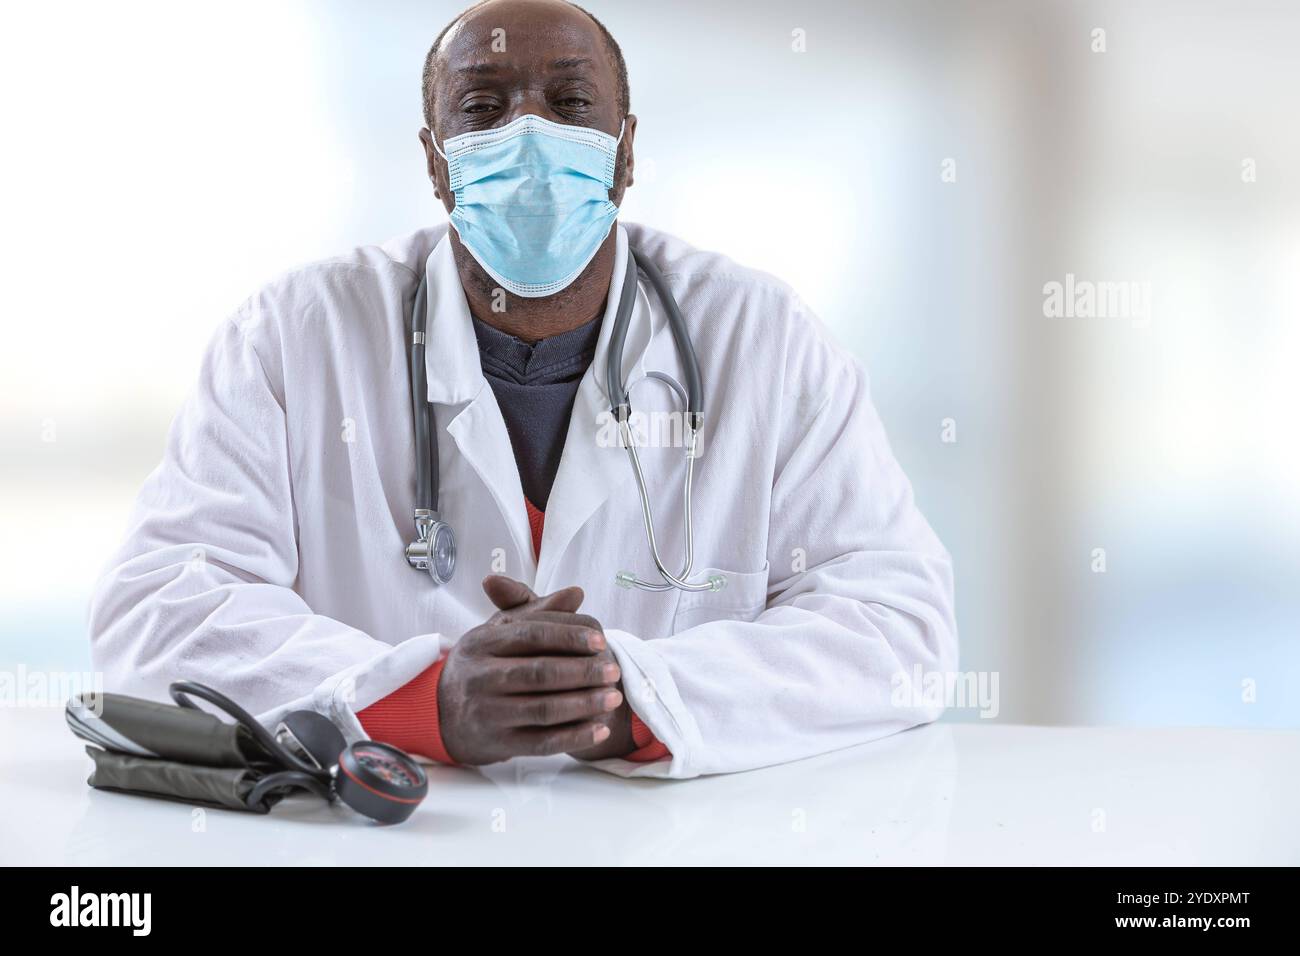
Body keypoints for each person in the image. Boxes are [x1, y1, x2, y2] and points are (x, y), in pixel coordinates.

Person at [89, 0, 957, 779]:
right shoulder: (289, 337)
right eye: (483, 107)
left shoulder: (762, 339)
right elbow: (157, 611)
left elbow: (898, 626)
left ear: (626, 154)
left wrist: (632, 701)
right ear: (436, 165)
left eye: (571, 104)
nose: (530, 135)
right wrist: (421, 700)